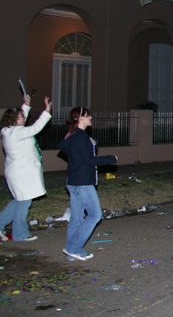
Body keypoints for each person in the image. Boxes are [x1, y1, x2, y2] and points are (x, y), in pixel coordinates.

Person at [57, 107, 118, 260]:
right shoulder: (80, 136)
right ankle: (74, 247)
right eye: (88, 115)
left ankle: (72, 252)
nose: (91, 117)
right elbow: (89, 160)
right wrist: (111, 158)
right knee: (95, 215)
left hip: (73, 181)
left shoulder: (74, 135)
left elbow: (67, 148)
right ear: (81, 118)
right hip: (82, 183)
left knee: (76, 218)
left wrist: (90, 144)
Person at [0, 94, 52, 241]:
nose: (24, 117)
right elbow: (36, 128)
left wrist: (26, 105)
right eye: (22, 116)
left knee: (18, 200)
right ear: (16, 119)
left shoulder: (8, 131)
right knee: (24, 203)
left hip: (17, 172)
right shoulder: (17, 133)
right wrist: (47, 111)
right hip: (21, 173)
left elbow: (22, 121)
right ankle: (20, 234)